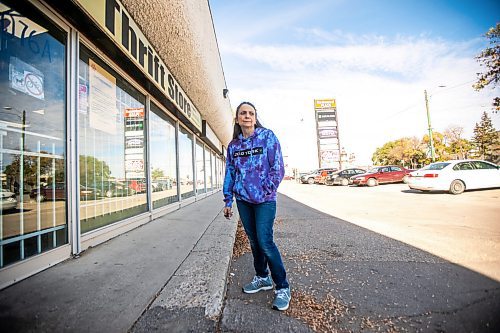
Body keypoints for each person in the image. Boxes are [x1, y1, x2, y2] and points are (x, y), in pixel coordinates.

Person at [223, 101, 291, 311]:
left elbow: (277, 167)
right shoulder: (234, 146)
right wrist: (228, 200)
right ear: (237, 119)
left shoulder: (267, 137)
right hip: (243, 200)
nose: (247, 116)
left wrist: (266, 191)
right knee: (254, 241)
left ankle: (282, 286)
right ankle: (262, 277)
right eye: (243, 113)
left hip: (265, 200)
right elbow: (230, 173)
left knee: (265, 242)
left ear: (255, 117)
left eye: (251, 113)